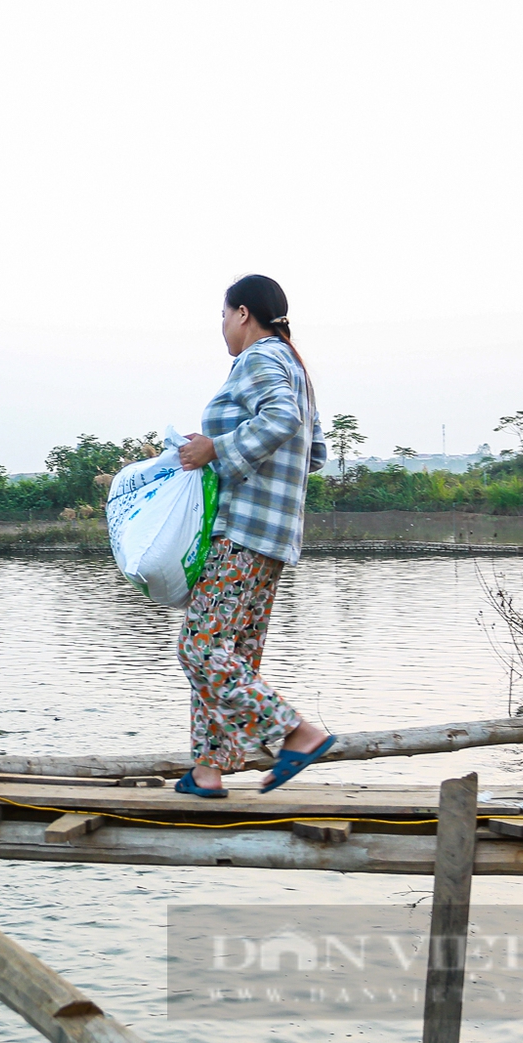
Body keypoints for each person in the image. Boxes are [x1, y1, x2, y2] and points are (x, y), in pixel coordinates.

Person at [171, 274, 336, 797]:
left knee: (200, 649)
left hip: (240, 533)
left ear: (243, 313)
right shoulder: (295, 366)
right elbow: (313, 454)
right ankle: (208, 769)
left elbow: (282, 419)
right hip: (275, 536)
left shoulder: (260, 357)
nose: (222, 328)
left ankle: (298, 732)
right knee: (230, 656)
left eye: (223, 316)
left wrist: (214, 450)